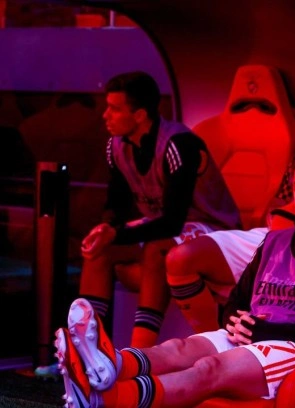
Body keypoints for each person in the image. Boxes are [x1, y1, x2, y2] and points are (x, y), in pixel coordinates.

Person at [56, 152, 295, 407]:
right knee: (178, 348)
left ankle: (106, 399)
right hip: (256, 334)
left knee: (207, 369)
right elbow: (237, 302)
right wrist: (235, 322)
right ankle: (109, 364)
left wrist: (270, 331)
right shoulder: (274, 241)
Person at [164, 69, 295, 333]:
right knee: (182, 258)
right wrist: (276, 215)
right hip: (281, 236)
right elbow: (280, 200)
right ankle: (213, 339)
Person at [79, 71, 241, 348]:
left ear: (140, 115)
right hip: (162, 223)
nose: (105, 115)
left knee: (158, 247)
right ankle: (86, 349)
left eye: (115, 109)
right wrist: (107, 228)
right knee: (100, 248)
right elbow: (117, 205)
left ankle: (139, 353)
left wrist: (118, 233)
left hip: (212, 228)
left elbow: (173, 221)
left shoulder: (179, 144)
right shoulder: (115, 146)